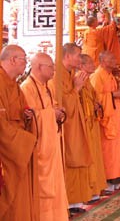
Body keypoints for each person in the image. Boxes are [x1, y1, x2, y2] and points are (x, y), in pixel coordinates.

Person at [21, 53, 69, 220]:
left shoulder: (46, 86)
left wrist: (57, 111)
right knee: (44, 187)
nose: (54, 70)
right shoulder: (27, 88)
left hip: (52, 144)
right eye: (50, 66)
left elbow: (46, 109)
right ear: (39, 67)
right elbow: (30, 117)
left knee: (55, 183)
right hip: (40, 147)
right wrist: (51, 114)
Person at [49, 42, 92, 214]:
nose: (79, 59)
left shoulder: (70, 73)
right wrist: (76, 89)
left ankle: (75, 201)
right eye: (77, 56)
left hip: (76, 123)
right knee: (69, 160)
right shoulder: (56, 75)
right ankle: (67, 202)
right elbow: (62, 102)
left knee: (78, 158)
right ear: (67, 56)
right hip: (66, 126)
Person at [0, 45, 39, 220]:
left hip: (19, 146)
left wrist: (27, 116)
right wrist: (24, 140)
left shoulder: (14, 85)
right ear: (13, 60)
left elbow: (22, 111)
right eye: (24, 59)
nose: (26, 63)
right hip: (8, 150)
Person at [90, 51, 120, 192]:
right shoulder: (97, 76)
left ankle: (117, 179)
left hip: (115, 119)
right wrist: (113, 94)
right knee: (108, 152)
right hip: (106, 121)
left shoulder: (110, 76)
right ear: (102, 61)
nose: (114, 60)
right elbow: (95, 99)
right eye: (111, 58)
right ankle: (107, 181)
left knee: (117, 150)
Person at [78, 54, 107, 202]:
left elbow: (93, 98)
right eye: (89, 63)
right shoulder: (79, 81)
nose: (92, 64)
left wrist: (96, 105)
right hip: (84, 124)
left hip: (92, 123)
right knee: (89, 157)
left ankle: (95, 190)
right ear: (81, 66)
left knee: (95, 156)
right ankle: (88, 192)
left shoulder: (88, 81)